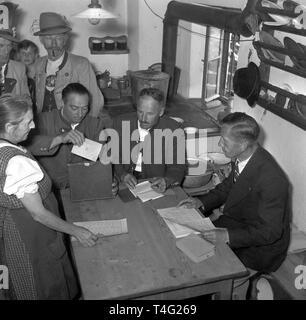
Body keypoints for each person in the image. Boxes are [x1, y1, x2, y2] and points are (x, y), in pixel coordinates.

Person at [0, 95, 98, 300]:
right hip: (30, 236)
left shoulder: (4, 149)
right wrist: (76, 231)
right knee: (42, 285)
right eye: (28, 122)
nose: (33, 125)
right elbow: (38, 214)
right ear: (9, 127)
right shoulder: (17, 163)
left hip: (9, 228)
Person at [179, 112, 290, 273]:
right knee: (190, 244)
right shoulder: (243, 157)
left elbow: (270, 232)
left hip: (260, 247)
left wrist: (228, 236)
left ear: (243, 144)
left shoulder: (272, 179)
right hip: (240, 223)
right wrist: (201, 201)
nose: (219, 143)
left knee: (208, 267)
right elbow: (228, 186)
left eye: (224, 140)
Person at [25, 82, 117, 193]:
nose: (80, 114)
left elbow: (103, 160)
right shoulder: (43, 121)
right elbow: (27, 147)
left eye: (84, 108)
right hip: (50, 189)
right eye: (74, 108)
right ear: (62, 103)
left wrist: (109, 180)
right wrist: (59, 139)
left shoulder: (95, 125)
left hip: (83, 186)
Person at [114, 87, 186, 193]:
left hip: (155, 183)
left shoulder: (174, 129)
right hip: (123, 181)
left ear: (161, 112)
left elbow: (178, 166)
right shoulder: (120, 123)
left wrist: (167, 180)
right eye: (140, 111)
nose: (143, 118)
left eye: (150, 114)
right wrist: (122, 174)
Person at [32, 12, 104, 117]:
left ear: (65, 39)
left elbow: (95, 100)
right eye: (48, 38)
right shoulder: (38, 64)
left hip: (71, 127)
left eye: (58, 38)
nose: (53, 44)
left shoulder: (81, 64)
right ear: (41, 40)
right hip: (42, 125)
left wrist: (88, 126)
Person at [0, 2, 30, 97]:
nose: (6, 51)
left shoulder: (19, 68)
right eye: (1, 46)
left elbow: (26, 100)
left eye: (9, 46)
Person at [16, 40, 39, 112]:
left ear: (36, 55)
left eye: (30, 53)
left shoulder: (41, 72)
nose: (27, 56)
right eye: (23, 53)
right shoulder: (14, 73)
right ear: (18, 55)